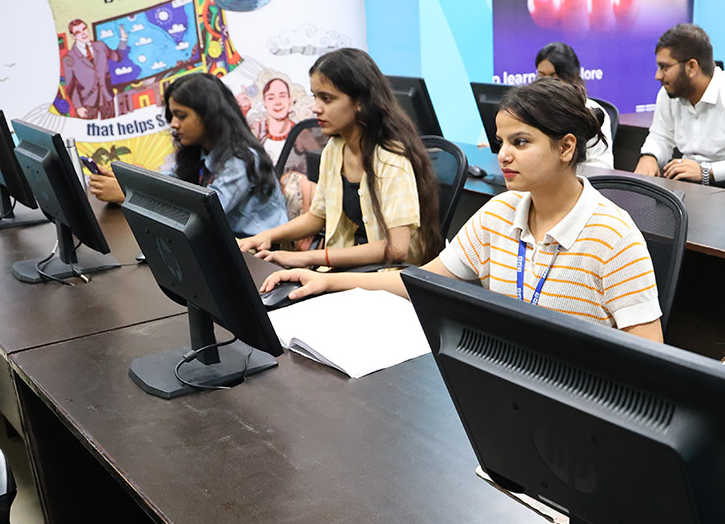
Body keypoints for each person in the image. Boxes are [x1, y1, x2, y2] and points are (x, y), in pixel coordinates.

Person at [260, 78, 665, 342]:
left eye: (520, 143)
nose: (503, 155)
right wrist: (329, 281)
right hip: (505, 381)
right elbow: (418, 282)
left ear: (565, 147)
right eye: (501, 142)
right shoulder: (499, 213)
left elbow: (652, 363)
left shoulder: (614, 236)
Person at [236, 48, 443, 269]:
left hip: (385, 277)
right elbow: (317, 216)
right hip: (348, 270)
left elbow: (397, 248)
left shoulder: (390, 158)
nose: (315, 108)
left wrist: (310, 257)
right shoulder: (335, 148)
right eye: (315, 96)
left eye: (326, 98)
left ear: (360, 102)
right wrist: (265, 237)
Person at [87, 73, 287, 237]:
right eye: (172, 116)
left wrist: (130, 195)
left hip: (259, 256)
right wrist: (127, 183)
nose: (173, 124)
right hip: (226, 243)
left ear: (209, 116)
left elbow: (205, 216)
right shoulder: (199, 151)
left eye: (181, 116)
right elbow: (170, 181)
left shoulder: (240, 161)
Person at [635, 23, 725, 185]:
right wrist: (649, 156)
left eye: (664, 67)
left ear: (691, 67)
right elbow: (661, 137)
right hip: (686, 182)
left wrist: (708, 171)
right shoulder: (667, 94)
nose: (658, 76)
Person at [534, 42, 614, 170]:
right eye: (541, 76)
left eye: (555, 78)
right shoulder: (531, 110)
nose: (547, 84)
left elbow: (602, 166)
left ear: (574, 78)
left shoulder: (590, 112)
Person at [61, 19, 129, 120]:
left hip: (106, 97)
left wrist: (123, 39)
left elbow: (117, 57)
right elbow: (71, 86)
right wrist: (78, 106)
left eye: (84, 29)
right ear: (73, 36)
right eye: (78, 32)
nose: (83, 34)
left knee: (110, 130)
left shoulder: (100, 46)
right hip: (87, 102)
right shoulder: (69, 58)